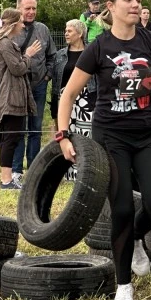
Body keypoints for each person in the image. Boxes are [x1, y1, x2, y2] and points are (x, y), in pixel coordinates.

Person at [57, 0, 151, 300]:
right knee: (120, 209)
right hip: (111, 137)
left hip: (148, 134)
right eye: (128, 0)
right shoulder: (98, 47)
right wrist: (63, 135)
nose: (135, 4)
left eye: (138, 0)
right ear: (111, 6)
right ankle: (123, 286)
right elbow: (68, 94)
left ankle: (134, 238)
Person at [0, 8, 42, 190]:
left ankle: (8, 178)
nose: (22, 25)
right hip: (11, 98)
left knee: (12, 137)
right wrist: (28, 55)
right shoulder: (4, 44)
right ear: (12, 25)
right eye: (19, 22)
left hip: (14, 97)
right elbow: (17, 68)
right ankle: (6, 180)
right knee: (10, 139)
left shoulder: (6, 43)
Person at [11, 0, 57, 184]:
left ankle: (34, 169)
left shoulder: (43, 29)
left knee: (36, 128)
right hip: (18, 87)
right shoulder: (11, 30)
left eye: (34, 8)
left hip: (38, 85)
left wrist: (46, 77)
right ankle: (16, 171)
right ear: (18, 9)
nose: (31, 12)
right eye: (27, 8)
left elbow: (52, 57)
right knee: (18, 128)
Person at [50, 19, 97, 181]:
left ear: (80, 34)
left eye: (69, 31)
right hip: (66, 100)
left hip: (86, 100)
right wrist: (54, 107)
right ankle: (69, 174)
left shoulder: (92, 52)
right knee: (67, 136)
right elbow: (56, 82)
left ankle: (86, 172)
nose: (66, 34)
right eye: (65, 30)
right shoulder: (60, 55)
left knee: (86, 135)